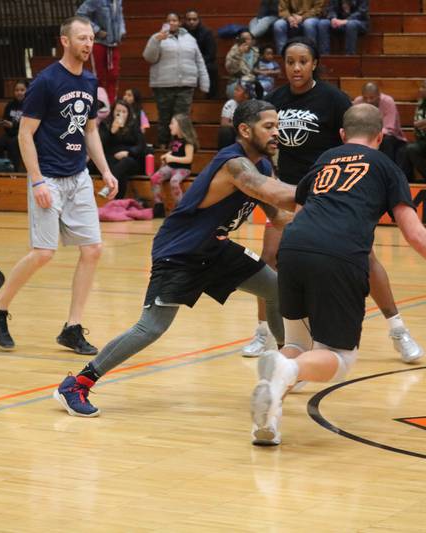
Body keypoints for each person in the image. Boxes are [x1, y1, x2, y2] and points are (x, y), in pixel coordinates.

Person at [249, 104, 426, 446]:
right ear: (380, 136)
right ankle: (286, 369)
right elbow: (414, 233)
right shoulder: (386, 166)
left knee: (295, 343)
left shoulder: (326, 159)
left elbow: (302, 210)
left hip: (292, 247)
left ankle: (270, 419)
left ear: (342, 135)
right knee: (340, 356)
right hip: (338, 253)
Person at [53, 99, 298, 417]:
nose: (276, 133)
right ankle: (76, 384)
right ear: (244, 130)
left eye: (277, 126)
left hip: (215, 248)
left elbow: (279, 216)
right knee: (151, 328)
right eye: (269, 127)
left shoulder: (263, 166)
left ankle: (285, 368)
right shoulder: (235, 165)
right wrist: (331, 187)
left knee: (276, 288)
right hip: (180, 251)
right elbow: (276, 194)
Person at [249, 38, 424, 364]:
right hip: (288, 191)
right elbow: (261, 140)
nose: (296, 68)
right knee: (270, 256)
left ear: (314, 63)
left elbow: (361, 135)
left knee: (366, 260)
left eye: (303, 61)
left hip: (330, 192)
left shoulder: (332, 99)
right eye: (290, 62)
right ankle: (263, 332)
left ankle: (398, 328)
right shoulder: (274, 100)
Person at [0, 16, 118, 354]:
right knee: (43, 253)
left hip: (79, 177)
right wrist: (37, 180)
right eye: (82, 38)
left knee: (93, 249)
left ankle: (72, 327)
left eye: (91, 39)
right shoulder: (45, 81)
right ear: (65, 41)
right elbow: (25, 134)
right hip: (49, 178)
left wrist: (106, 170)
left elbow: (89, 130)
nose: (88, 44)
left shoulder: (89, 80)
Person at [143, 12, 210, 147]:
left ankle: (179, 147)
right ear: (165, 23)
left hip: (186, 85)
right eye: (169, 20)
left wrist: (204, 82)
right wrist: (156, 40)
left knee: (182, 118)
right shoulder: (157, 37)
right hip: (163, 85)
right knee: (164, 118)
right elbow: (149, 58)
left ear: (180, 22)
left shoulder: (190, 39)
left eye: (175, 20)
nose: (172, 23)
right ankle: (163, 146)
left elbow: (199, 61)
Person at [76, 0, 125, 107]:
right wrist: (96, 30)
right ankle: (99, 104)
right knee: (99, 75)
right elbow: (80, 14)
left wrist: (122, 32)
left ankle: (111, 104)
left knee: (114, 75)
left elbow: (120, 17)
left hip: (114, 44)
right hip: (100, 43)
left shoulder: (118, 1)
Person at [96, 99, 145, 199]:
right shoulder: (105, 124)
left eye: (124, 112)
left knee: (125, 162)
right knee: (121, 172)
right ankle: (117, 202)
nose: (120, 114)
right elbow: (100, 145)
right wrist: (112, 131)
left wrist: (128, 153)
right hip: (111, 159)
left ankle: (108, 186)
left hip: (130, 159)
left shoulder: (134, 124)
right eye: (118, 111)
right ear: (113, 111)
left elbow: (141, 146)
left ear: (128, 113)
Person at [150, 113, 197, 213]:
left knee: (174, 181)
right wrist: (167, 155)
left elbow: (189, 159)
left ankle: (180, 207)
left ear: (180, 125)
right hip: (171, 167)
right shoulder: (175, 140)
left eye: (172, 123)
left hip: (183, 169)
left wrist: (172, 158)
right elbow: (174, 151)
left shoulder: (188, 142)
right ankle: (159, 205)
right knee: (154, 178)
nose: (169, 126)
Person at [353, 82, 407, 164]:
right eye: (365, 98)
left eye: (371, 98)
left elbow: (390, 129)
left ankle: (387, 170)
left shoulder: (388, 101)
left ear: (378, 96)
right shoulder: (358, 102)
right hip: (366, 136)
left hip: (389, 137)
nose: (368, 101)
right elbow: (355, 124)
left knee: (386, 140)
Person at [0, 80, 26, 170]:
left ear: (27, 91)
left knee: (12, 143)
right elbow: (5, 119)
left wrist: (13, 126)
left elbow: (28, 124)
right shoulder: (10, 105)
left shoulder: (30, 105)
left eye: (22, 90)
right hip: (10, 132)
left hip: (23, 134)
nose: (19, 92)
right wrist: (7, 126)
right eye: (16, 90)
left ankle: (14, 170)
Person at [184, 10, 219, 99]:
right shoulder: (181, 32)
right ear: (185, 20)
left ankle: (211, 98)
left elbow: (211, 54)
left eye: (194, 19)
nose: (191, 22)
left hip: (202, 62)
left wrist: (197, 63)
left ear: (198, 20)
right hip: (184, 62)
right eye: (189, 19)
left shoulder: (207, 33)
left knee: (212, 68)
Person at [219, 79, 257, 149]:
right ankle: (224, 154)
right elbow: (224, 123)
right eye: (235, 90)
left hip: (249, 132)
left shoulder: (254, 105)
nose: (234, 92)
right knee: (225, 131)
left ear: (246, 94)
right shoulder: (230, 103)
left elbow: (252, 124)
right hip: (235, 131)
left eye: (237, 90)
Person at [226, 30, 260, 98]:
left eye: (248, 39)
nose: (246, 41)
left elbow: (256, 69)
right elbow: (231, 70)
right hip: (236, 80)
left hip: (252, 80)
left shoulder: (256, 52)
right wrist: (239, 53)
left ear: (252, 41)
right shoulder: (234, 51)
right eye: (243, 39)